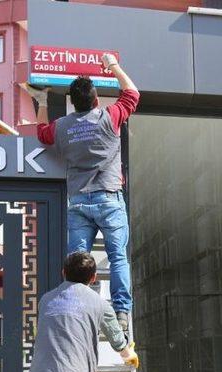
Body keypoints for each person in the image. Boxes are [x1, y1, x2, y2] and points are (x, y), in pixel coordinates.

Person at [25, 54, 139, 335]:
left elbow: (41, 133)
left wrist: (40, 101)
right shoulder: (109, 117)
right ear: (96, 99)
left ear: (73, 103)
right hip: (109, 198)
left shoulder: (63, 126)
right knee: (117, 258)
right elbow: (132, 93)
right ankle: (121, 313)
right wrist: (112, 64)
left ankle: (79, 310)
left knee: (77, 259)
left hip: (78, 201)